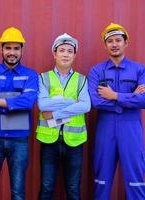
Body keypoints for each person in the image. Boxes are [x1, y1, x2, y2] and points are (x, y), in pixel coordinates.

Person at [88, 23, 145, 200]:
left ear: (126, 43)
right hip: (105, 128)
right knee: (102, 180)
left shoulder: (140, 70)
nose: (114, 44)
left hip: (131, 128)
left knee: (135, 179)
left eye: (118, 40)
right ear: (105, 45)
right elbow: (96, 101)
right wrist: (130, 97)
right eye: (110, 41)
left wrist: (115, 95)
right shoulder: (96, 71)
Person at [0, 27, 38, 200]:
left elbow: (28, 103)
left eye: (16, 48)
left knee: (18, 194)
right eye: (8, 48)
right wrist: (14, 103)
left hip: (19, 141)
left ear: (22, 50)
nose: (12, 52)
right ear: (1, 49)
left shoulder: (30, 75)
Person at [36, 33, 91, 200]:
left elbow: (86, 106)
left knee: (73, 189)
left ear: (74, 55)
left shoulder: (81, 80)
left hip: (74, 142)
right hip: (49, 141)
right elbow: (43, 105)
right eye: (62, 50)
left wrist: (56, 113)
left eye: (69, 51)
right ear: (54, 53)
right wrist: (71, 102)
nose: (65, 54)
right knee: (46, 187)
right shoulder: (44, 78)